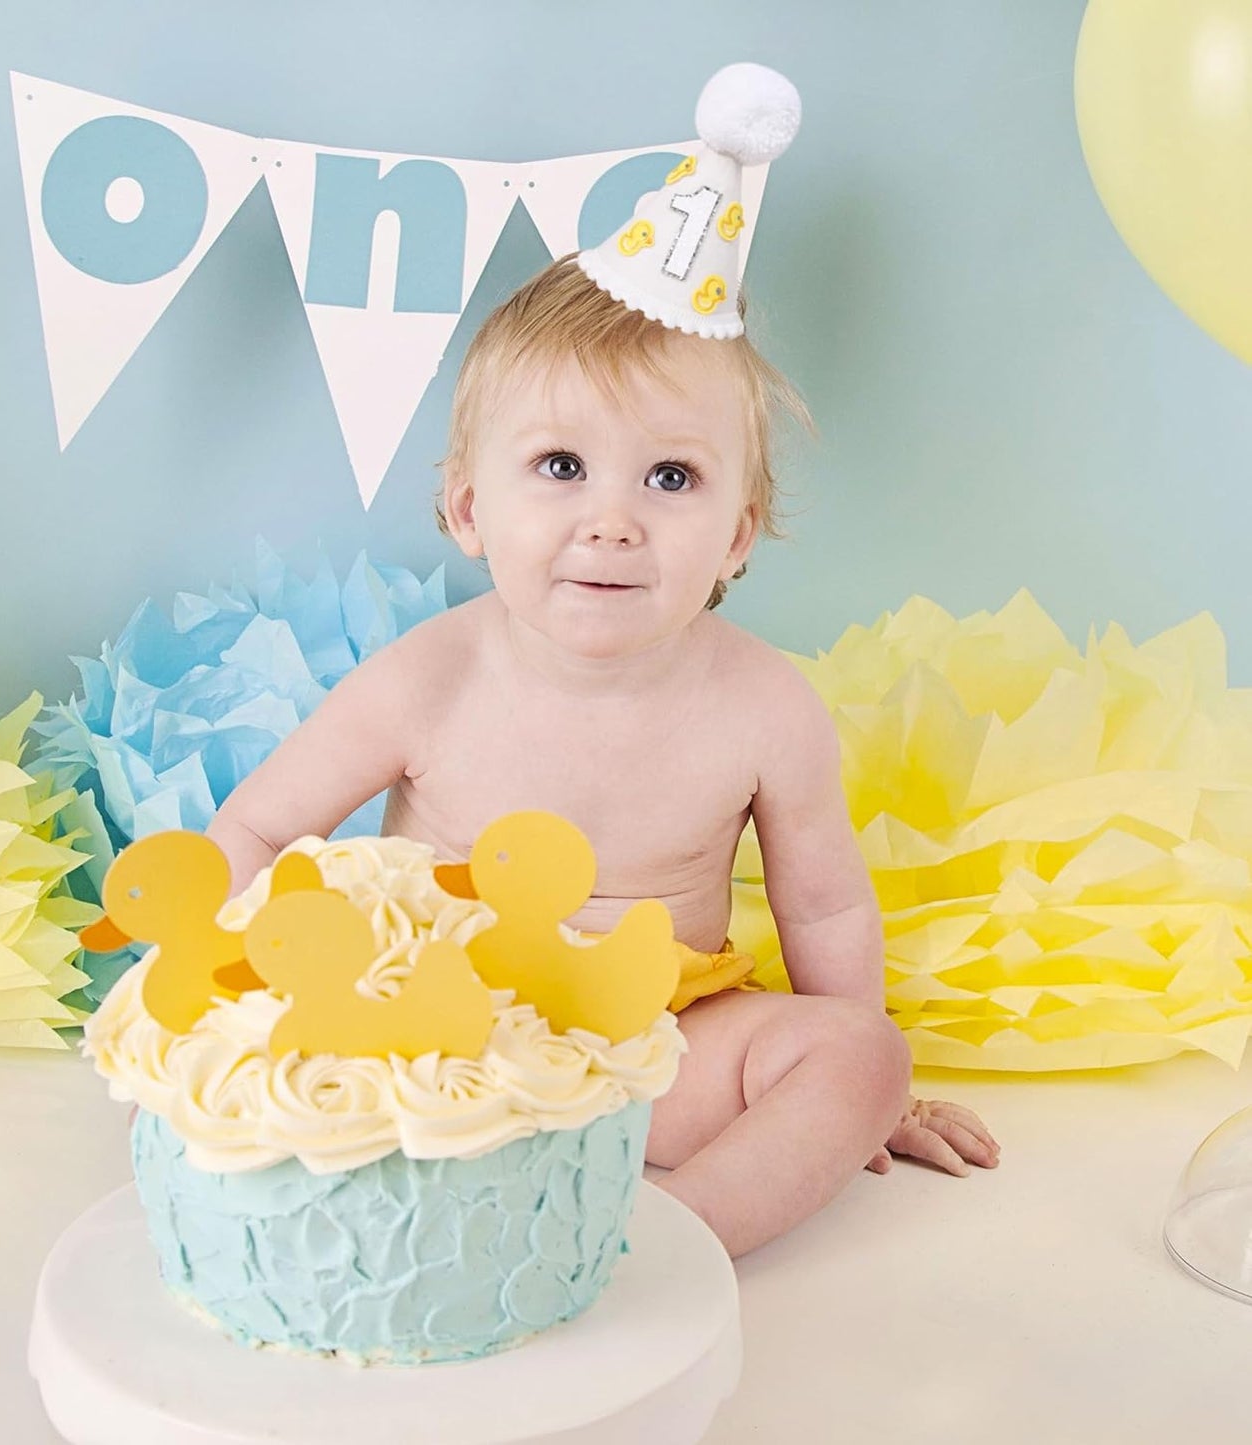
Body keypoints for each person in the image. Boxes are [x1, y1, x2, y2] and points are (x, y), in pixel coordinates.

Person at [209, 68, 998, 1256]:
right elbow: (260, 832)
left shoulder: (764, 705)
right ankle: (447, 1172)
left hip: (655, 1046)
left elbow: (822, 900)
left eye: (669, 478)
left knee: (858, 1055)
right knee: (309, 1027)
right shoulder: (430, 676)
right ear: (468, 507)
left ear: (735, 532)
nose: (612, 520)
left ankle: (657, 1248)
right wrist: (213, 980)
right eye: (561, 466)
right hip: (433, 1023)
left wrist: (848, 1099)